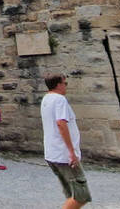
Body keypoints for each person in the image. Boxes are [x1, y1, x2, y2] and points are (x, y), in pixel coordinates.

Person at [41, 74, 91, 209]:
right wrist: (71, 152)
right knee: (81, 195)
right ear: (58, 85)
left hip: (52, 152)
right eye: (65, 83)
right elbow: (61, 124)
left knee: (70, 193)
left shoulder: (46, 99)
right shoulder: (59, 100)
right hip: (63, 155)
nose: (66, 86)